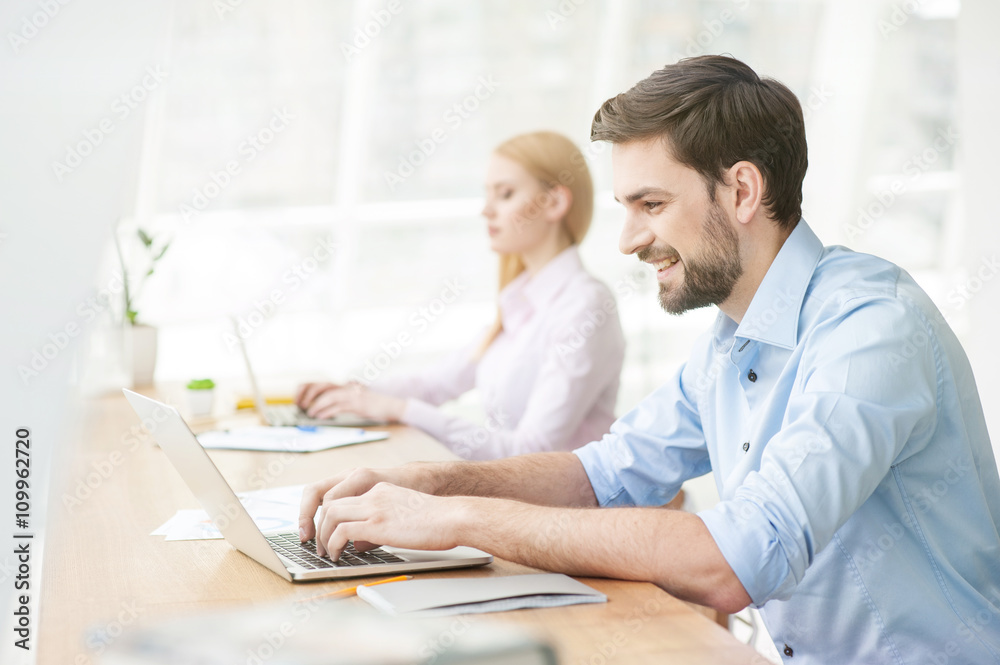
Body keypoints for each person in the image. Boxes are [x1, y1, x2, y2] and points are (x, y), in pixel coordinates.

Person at [297, 56, 1000, 663]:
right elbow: (605, 472)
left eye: (651, 204)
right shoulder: (732, 339)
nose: (630, 240)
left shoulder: (870, 329)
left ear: (744, 191)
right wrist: (430, 483)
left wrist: (459, 522)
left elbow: (733, 562)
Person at [296, 131, 625, 460]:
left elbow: (531, 452)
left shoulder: (584, 307)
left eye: (505, 194)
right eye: (488, 195)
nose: (487, 210)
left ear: (554, 203)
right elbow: (433, 385)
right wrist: (350, 393)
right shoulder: (519, 303)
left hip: (566, 505)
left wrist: (398, 409)